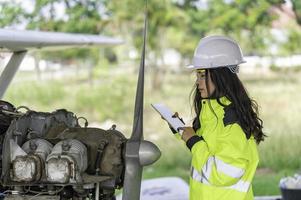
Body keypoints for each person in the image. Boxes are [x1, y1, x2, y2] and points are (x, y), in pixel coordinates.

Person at [168, 35, 265, 200]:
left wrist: (192, 141)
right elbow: (206, 145)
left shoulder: (231, 122)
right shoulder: (213, 113)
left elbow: (220, 173)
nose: (197, 82)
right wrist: (179, 128)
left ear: (221, 76)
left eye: (202, 75)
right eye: (197, 75)